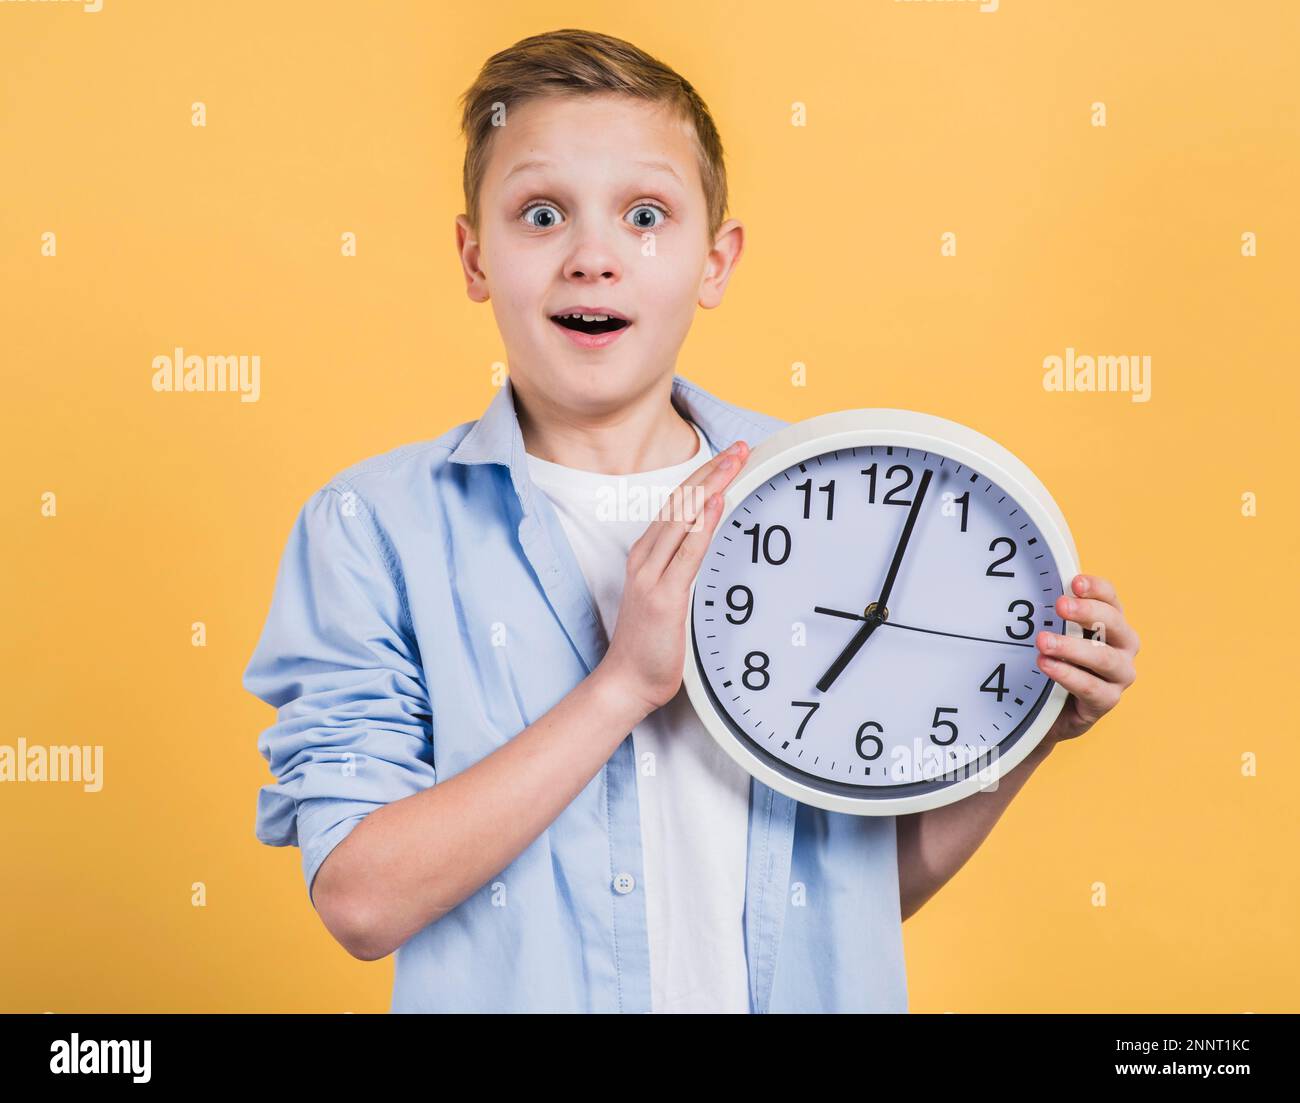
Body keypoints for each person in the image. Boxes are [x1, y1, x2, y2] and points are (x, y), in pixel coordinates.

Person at [244, 28, 1141, 1013]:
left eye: (644, 216)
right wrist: (623, 683)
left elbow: (852, 900)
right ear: (474, 256)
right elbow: (362, 899)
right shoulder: (373, 527)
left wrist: (1021, 734)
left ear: (714, 262)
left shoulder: (819, 492)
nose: (593, 257)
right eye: (541, 214)